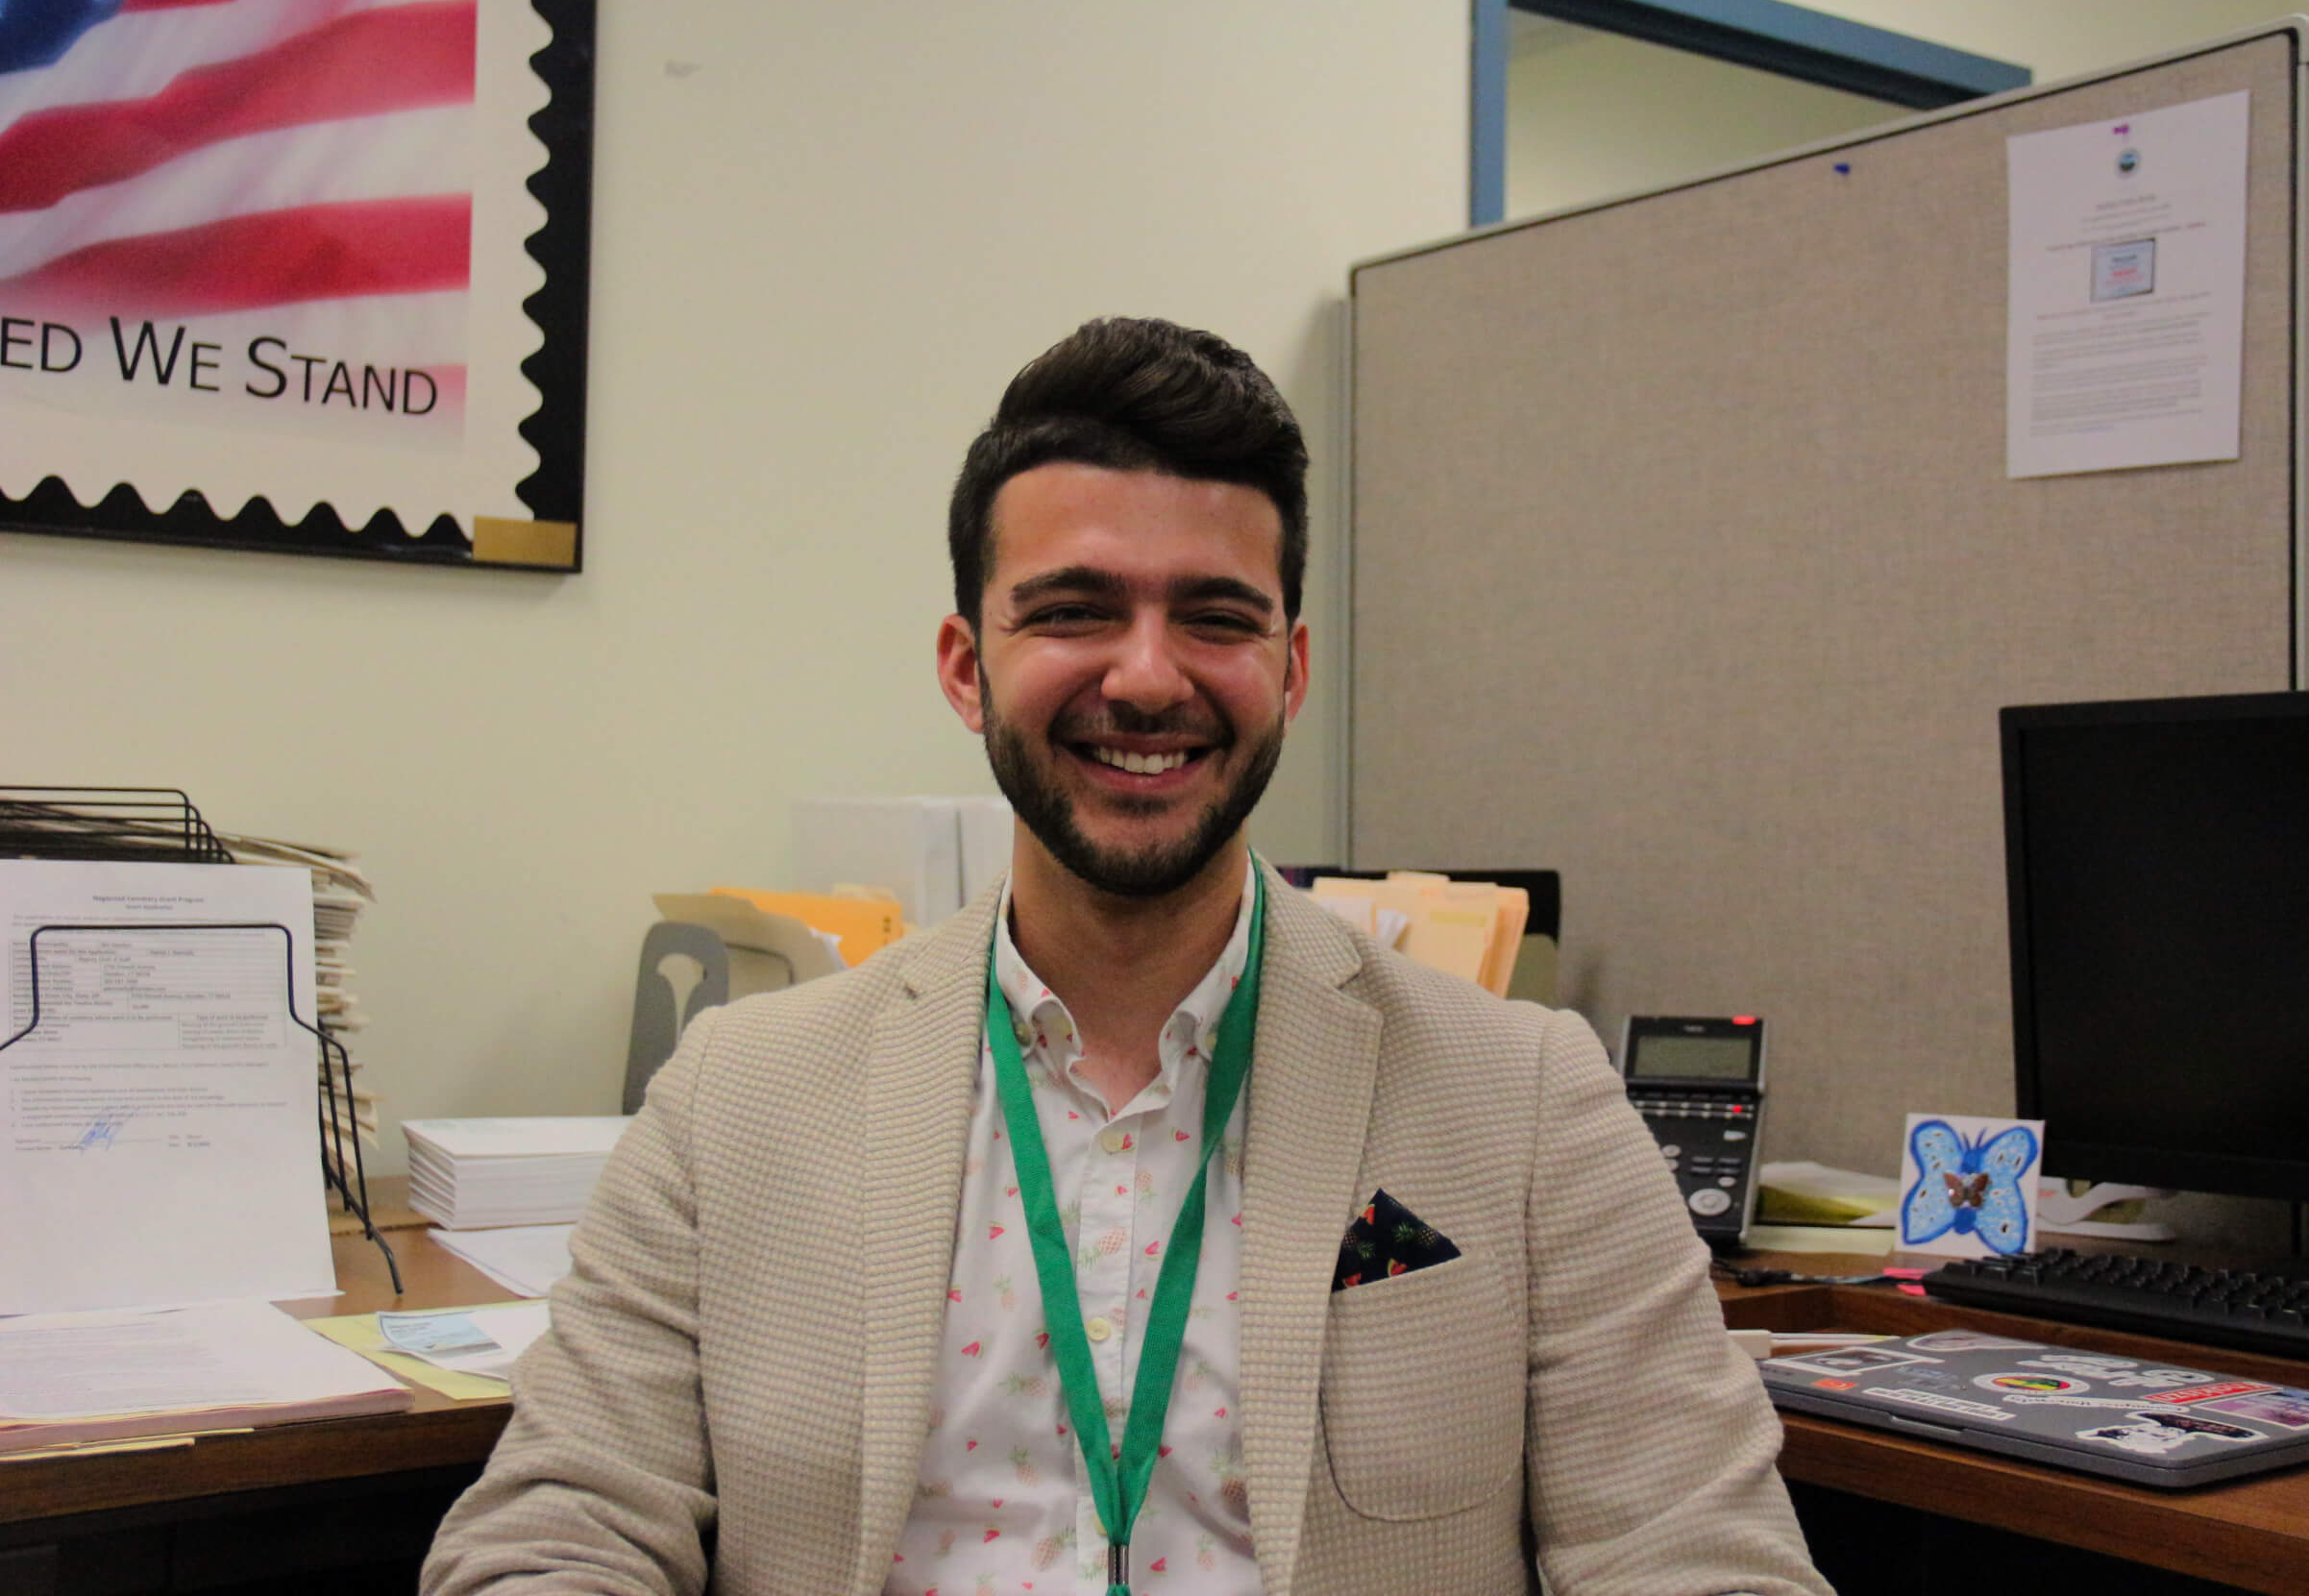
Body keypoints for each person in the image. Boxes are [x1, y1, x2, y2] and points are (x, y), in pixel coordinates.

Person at [423, 318, 1830, 1596]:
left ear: (1287, 670)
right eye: (1076, 609)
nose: (1148, 676)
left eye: (1214, 617)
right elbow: (559, 1529)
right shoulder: (739, 1098)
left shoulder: (1526, 1103)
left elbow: (1700, 1556)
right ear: (967, 666)